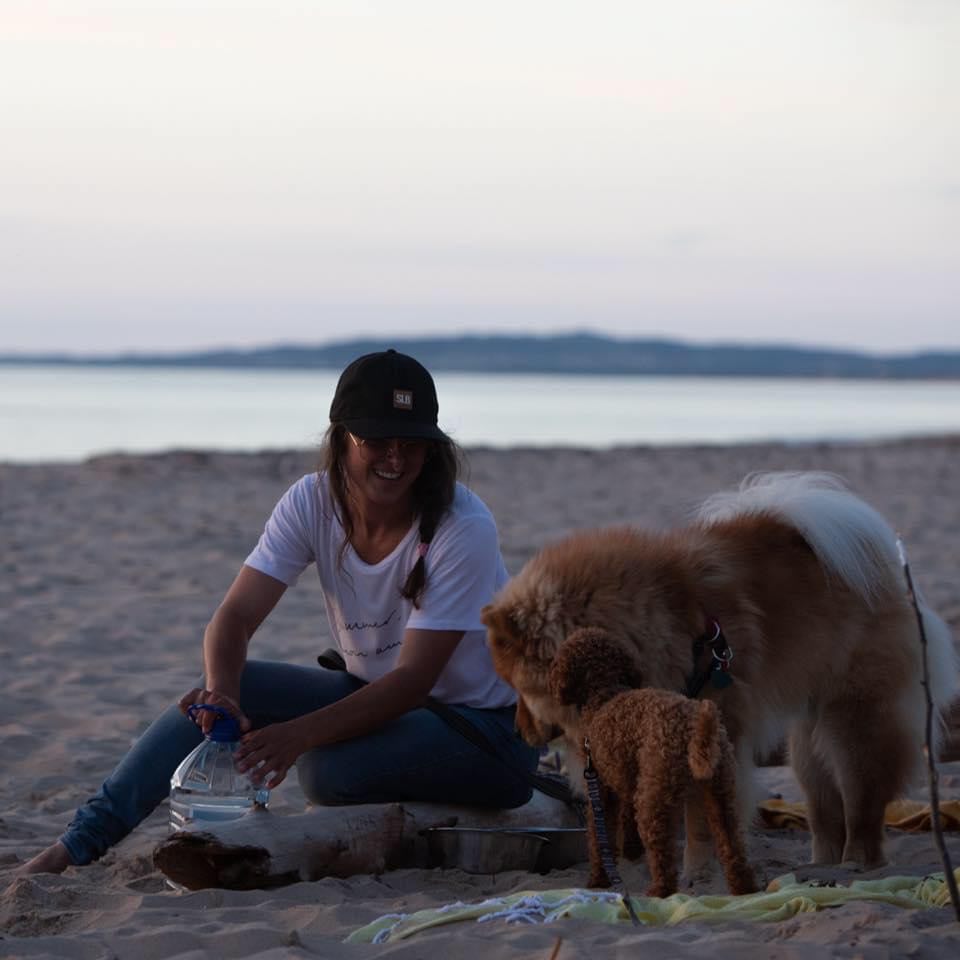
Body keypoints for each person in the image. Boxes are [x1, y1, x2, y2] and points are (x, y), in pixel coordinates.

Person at [21, 348, 538, 874]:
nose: (395, 458)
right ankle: (74, 846)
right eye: (377, 441)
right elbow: (234, 619)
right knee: (226, 688)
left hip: (483, 729)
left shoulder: (462, 525)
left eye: (413, 445)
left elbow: (413, 681)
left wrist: (298, 735)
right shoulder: (310, 502)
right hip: (384, 700)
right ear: (342, 440)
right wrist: (222, 694)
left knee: (325, 772)